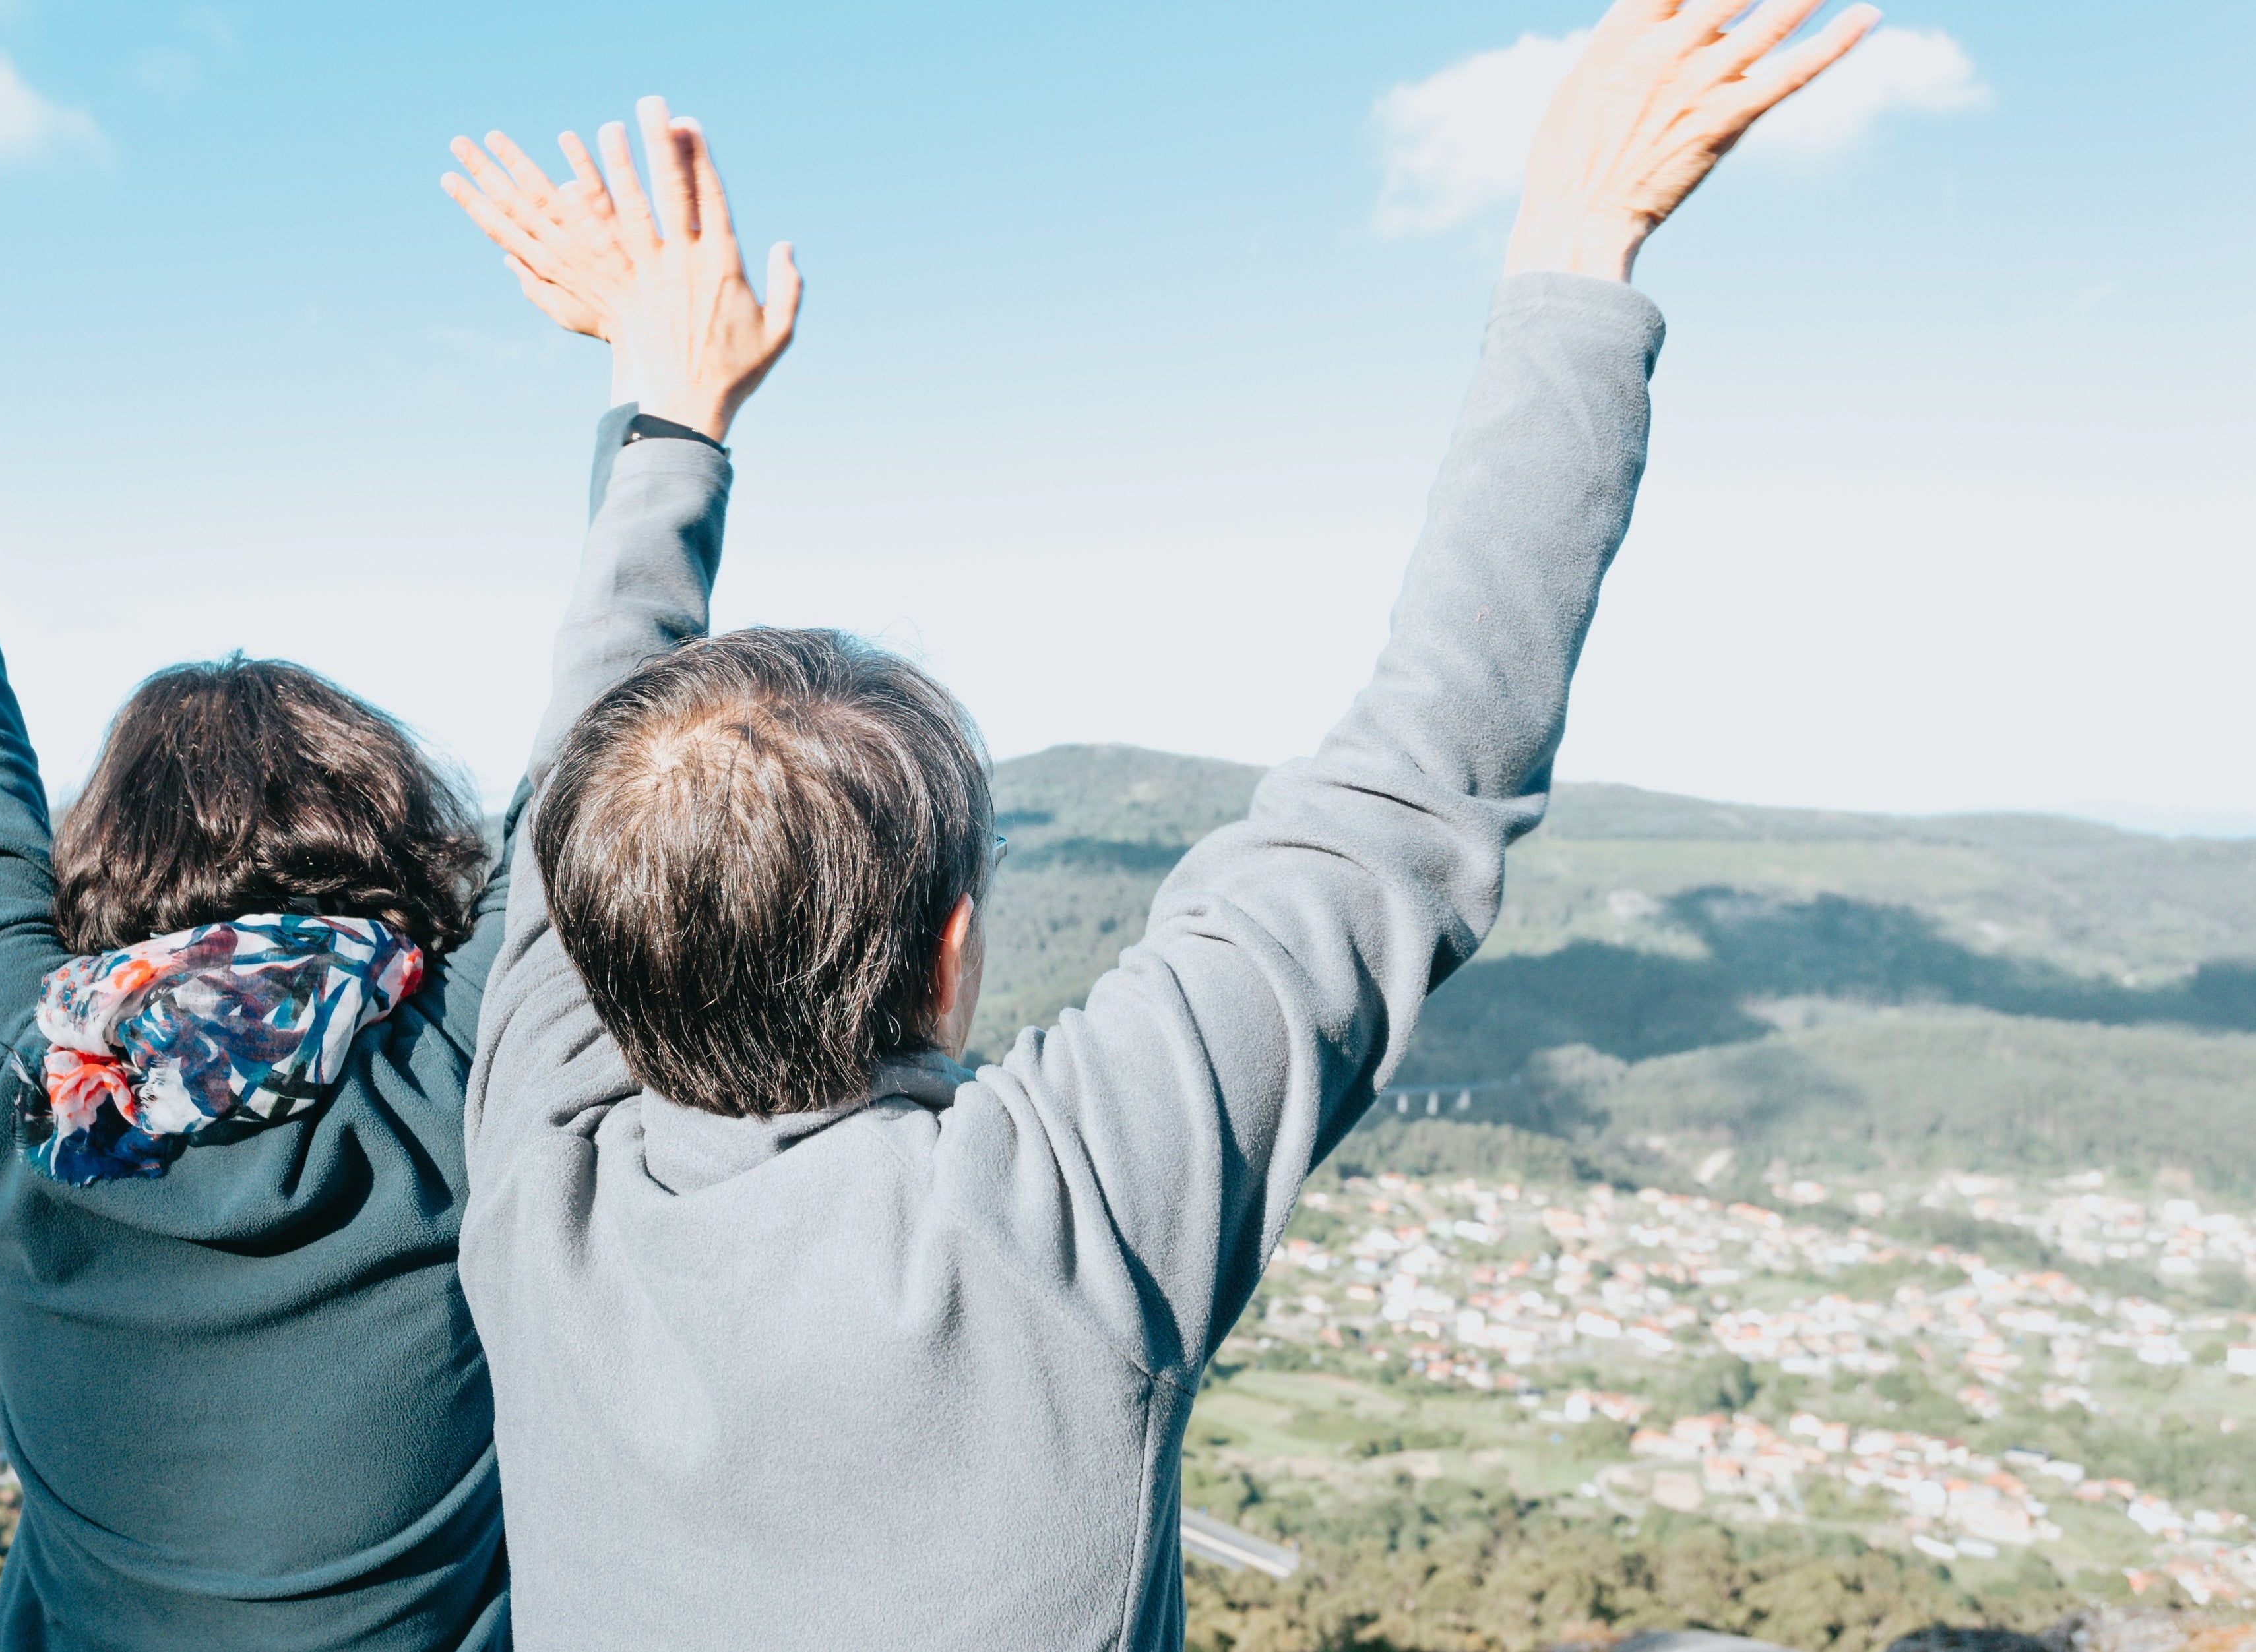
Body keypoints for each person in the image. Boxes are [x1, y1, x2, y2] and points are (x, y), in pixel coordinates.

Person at [442, 3, 1881, 1646]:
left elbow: (1413, 782)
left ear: (589, 941)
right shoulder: (1045, 1219)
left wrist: (666, 414)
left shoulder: (532, 1180)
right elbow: (1409, 783)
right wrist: (1579, 231)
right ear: (953, 950)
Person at [0, 158, 559, 1649]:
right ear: (397, 840)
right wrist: (670, 410)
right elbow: (594, 771)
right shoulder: (457, 1071)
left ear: (96, 872)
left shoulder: (23, 1088)